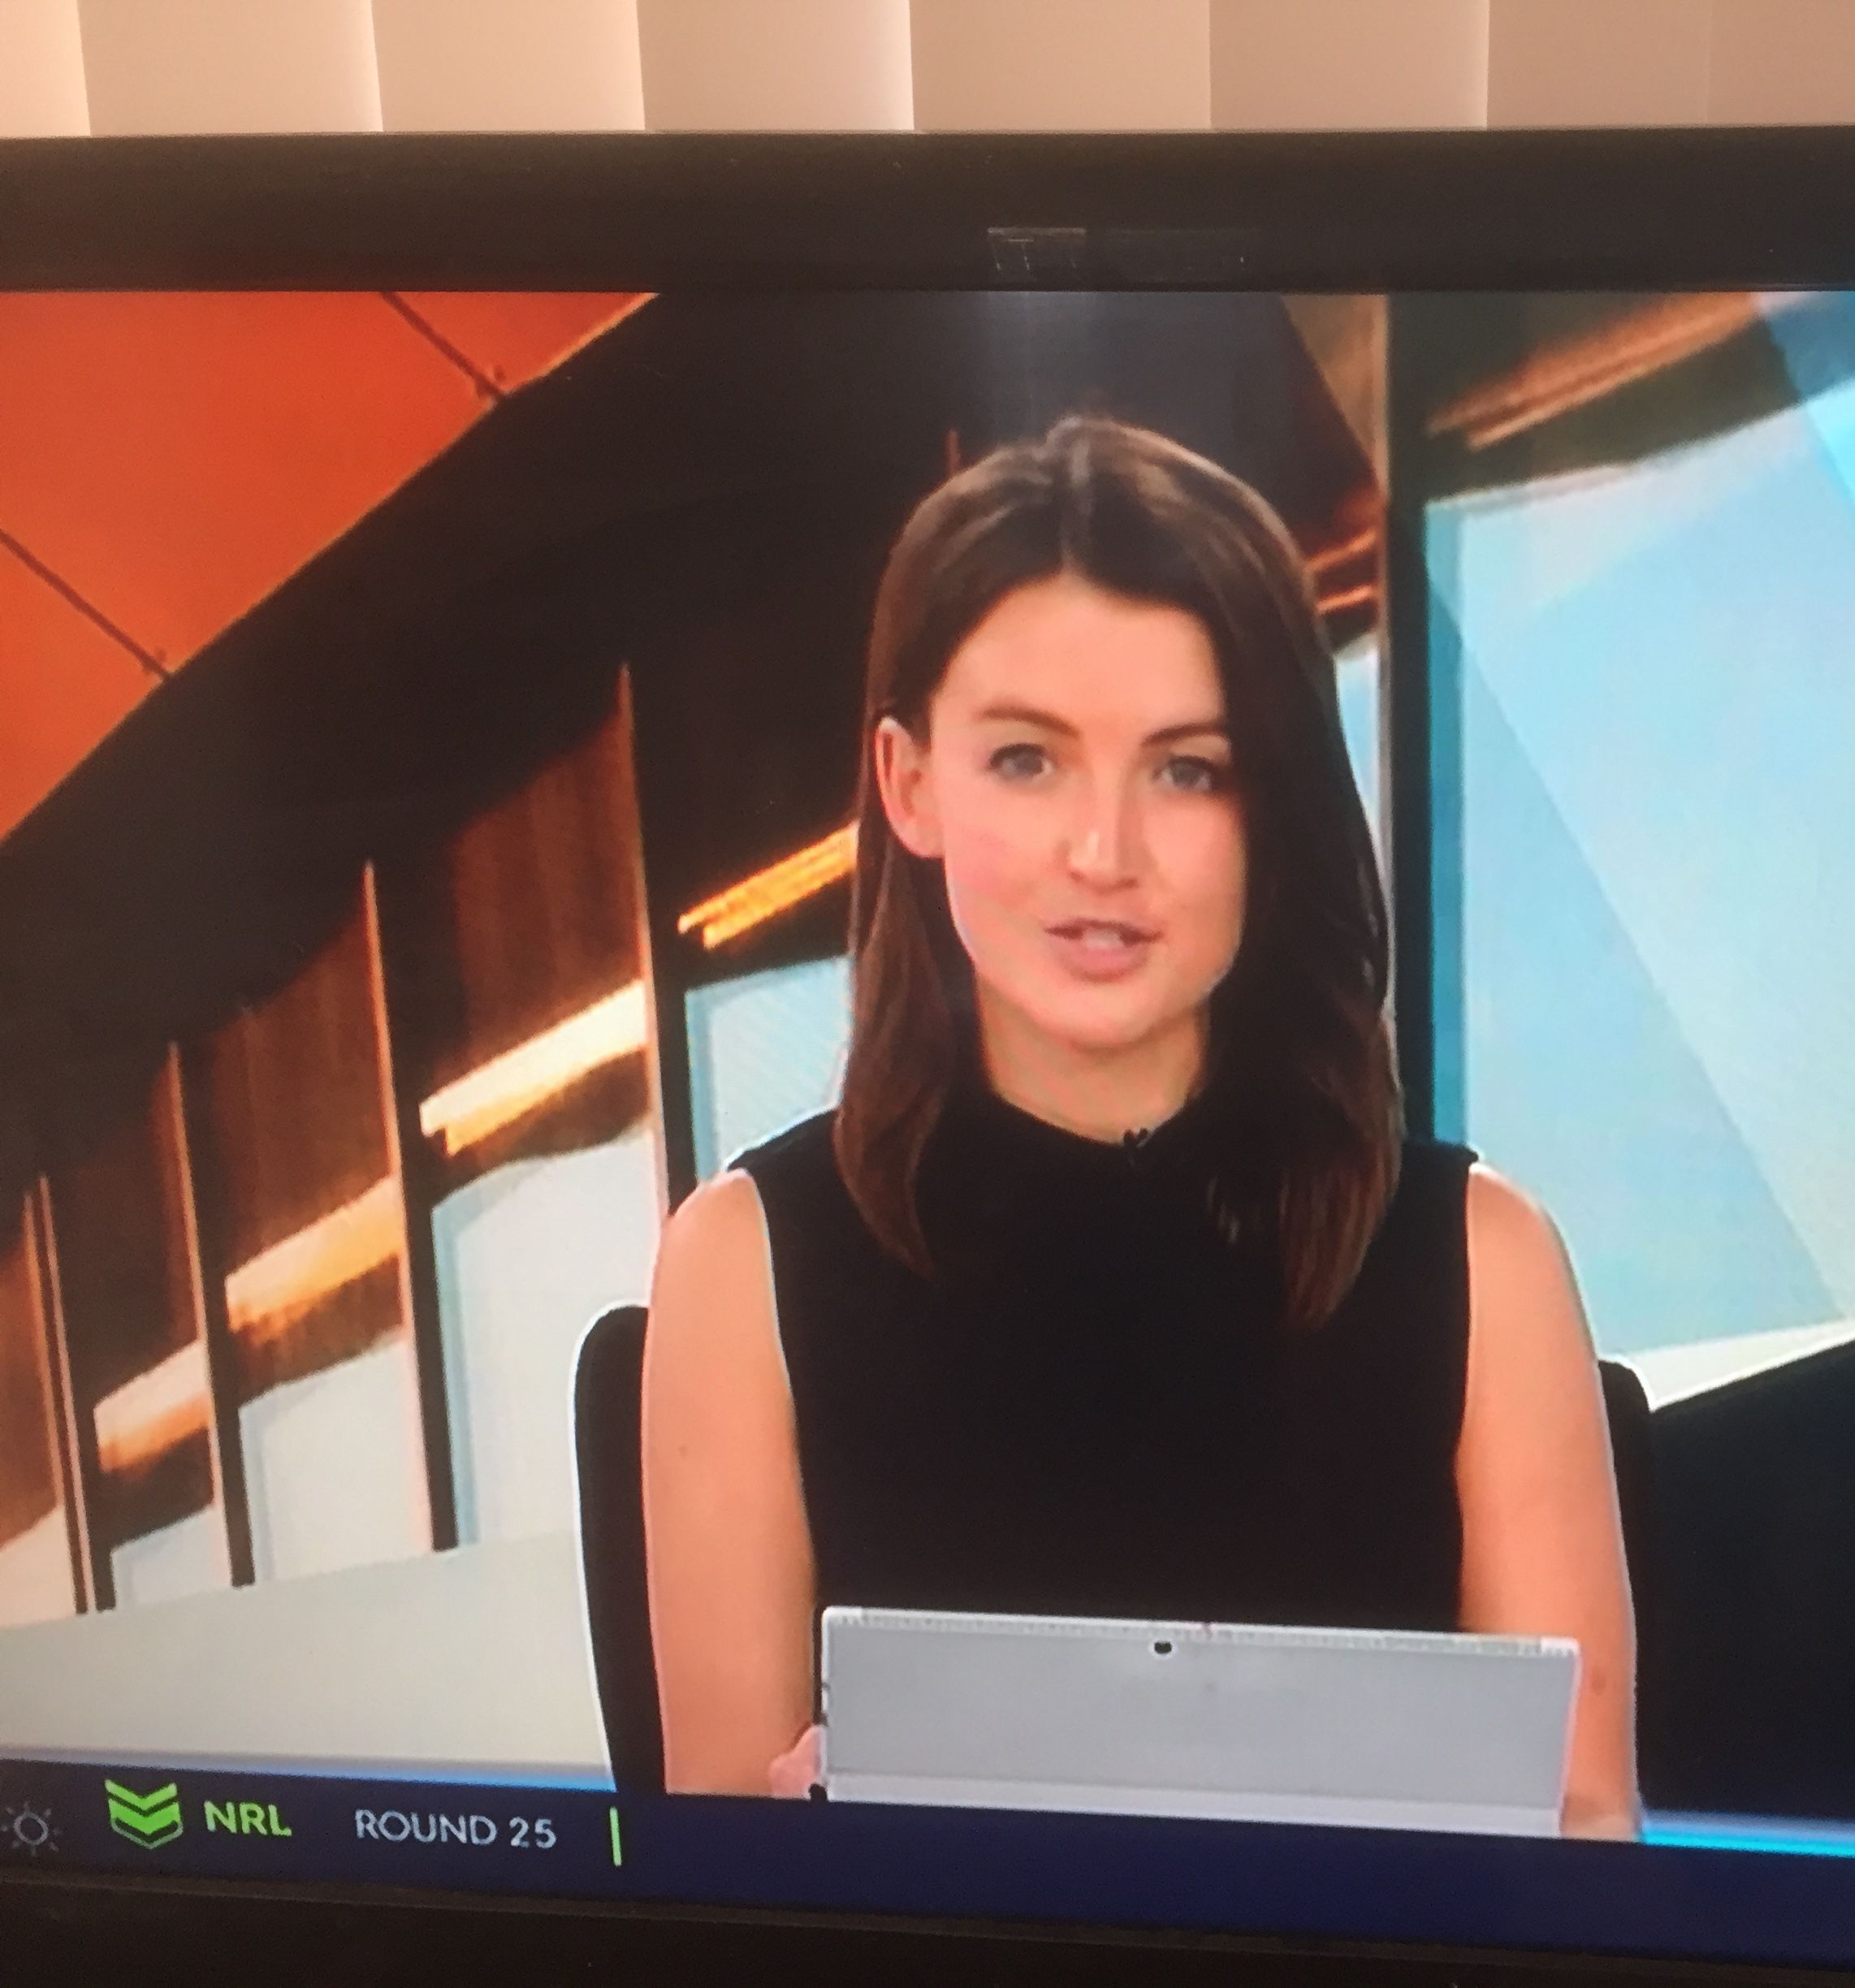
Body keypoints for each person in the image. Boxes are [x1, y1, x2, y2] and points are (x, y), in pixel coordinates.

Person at [640, 415, 1638, 1837]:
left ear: (1272, 811)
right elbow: (726, 1869)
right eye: (1026, 760)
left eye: (1187, 770)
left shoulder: (1485, 1259)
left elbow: (1587, 1841)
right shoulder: (743, 1261)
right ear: (910, 785)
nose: (1103, 854)